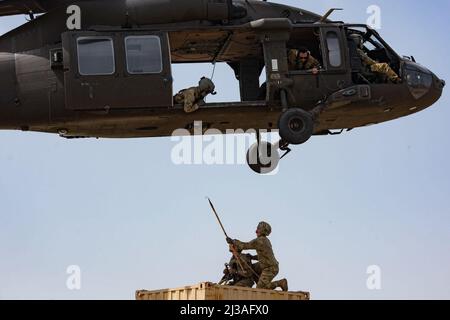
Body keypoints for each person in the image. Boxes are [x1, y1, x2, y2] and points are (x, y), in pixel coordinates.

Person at [226, 221, 288, 291]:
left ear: (263, 231)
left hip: (270, 268)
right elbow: (264, 256)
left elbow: (245, 245)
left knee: (260, 289)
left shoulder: (260, 241)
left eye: (258, 228)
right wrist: (252, 257)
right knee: (251, 270)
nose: (256, 231)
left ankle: (280, 283)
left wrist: (233, 241)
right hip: (264, 265)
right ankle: (260, 281)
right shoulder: (265, 240)